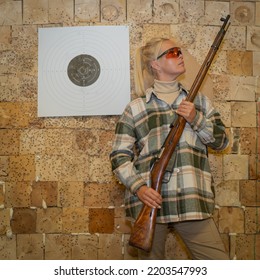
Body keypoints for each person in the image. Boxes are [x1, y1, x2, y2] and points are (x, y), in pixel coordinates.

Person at [110, 38, 229, 260]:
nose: (180, 55)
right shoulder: (135, 108)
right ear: (155, 64)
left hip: (193, 202)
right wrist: (140, 188)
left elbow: (223, 142)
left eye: (179, 51)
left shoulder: (200, 103)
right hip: (150, 202)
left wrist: (196, 119)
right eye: (172, 52)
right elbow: (119, 157)